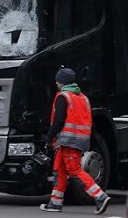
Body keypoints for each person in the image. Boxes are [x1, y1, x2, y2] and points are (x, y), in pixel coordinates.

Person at [40, 67, 110, 214]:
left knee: (74, 170)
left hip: (68, 140)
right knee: (59, 170)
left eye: (57, 81)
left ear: (61, 82)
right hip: (79, 140)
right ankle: (55, 202)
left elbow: (58, 121)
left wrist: (49, 137)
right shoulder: (83, 98)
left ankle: (100, 196)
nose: (56, 83)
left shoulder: (63, 97)